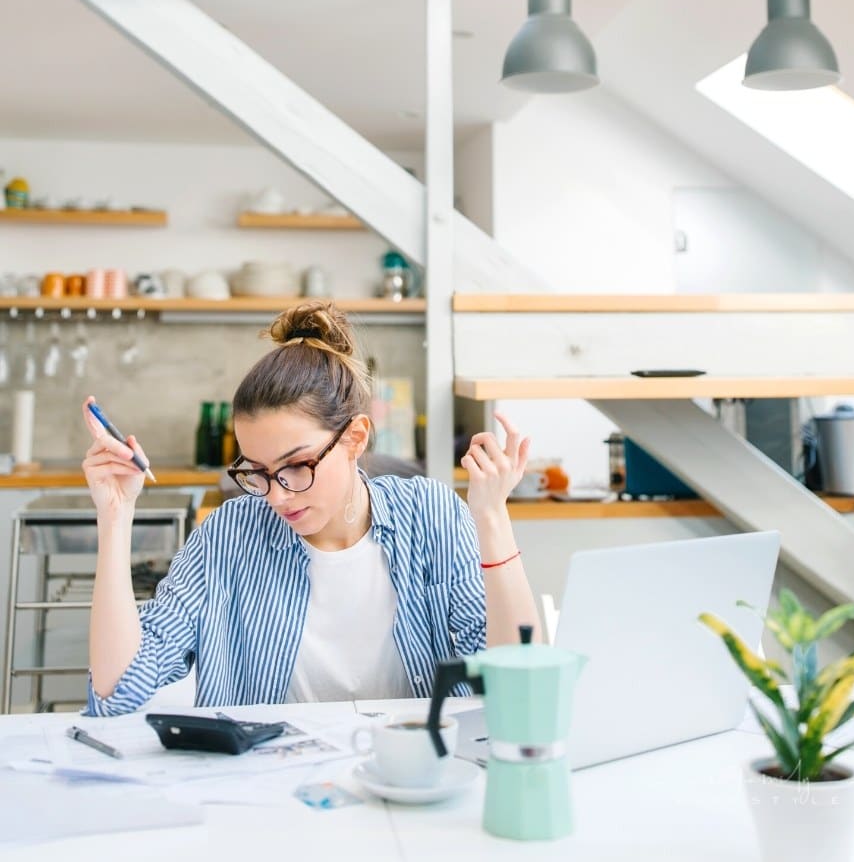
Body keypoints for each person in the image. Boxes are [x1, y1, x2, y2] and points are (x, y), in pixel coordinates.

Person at [81, 302, 540, 714]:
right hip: (269, 796)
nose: (277, 495)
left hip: (412, 781)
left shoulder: (431, 515)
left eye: (296, 466)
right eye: (256, 471)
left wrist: (493, 517)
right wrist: (116, 517)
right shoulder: (227, 538)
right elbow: (118, 688)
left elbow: (518, 685)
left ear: (355, 438)